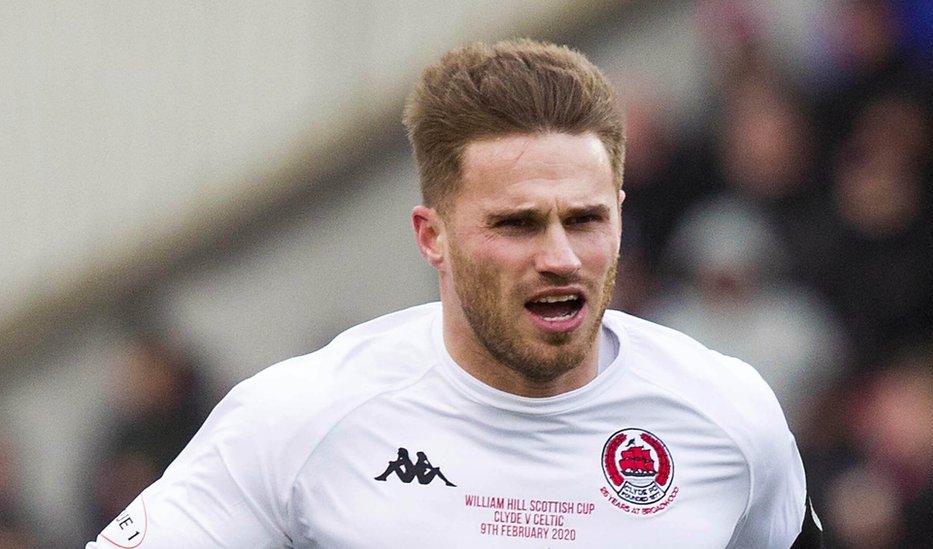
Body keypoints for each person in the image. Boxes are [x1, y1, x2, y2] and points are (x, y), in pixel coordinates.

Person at [87, 39, 822, 548]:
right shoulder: (297, 419)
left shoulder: (730, 417)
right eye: (518, 223)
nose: (561, 256)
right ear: (431, 235)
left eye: (587, 218)